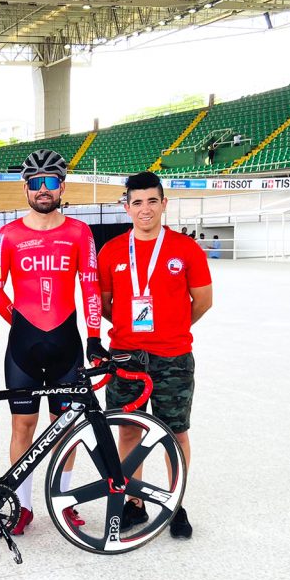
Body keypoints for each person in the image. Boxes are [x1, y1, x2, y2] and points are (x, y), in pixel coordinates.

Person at [0, 149, 106, 535]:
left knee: (65, 427)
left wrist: (93, 337)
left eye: (50, 182)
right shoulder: (8, 234)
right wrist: (17, 322)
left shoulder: (78, 232)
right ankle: (22, 506)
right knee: (22, 426)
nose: (42, 189)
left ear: (61, 187)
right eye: (35, 183)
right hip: (23, 346)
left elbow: (90, 284)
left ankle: (65, 499)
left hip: (66, 345)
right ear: (25, 188)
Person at [98, 170, 212, 539]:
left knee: (175, 432)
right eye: (137, 202)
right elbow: (104, 304)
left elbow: (203, 301)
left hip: (174, 356)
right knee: (129, 431)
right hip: (126, 356)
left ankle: (175, 502)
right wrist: (131, 329)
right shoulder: (112, 251)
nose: (144, 209)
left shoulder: (185, 248)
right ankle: (134, 503)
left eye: (152, 201)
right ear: (126, 207)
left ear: (164, 204)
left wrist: (174, 326)